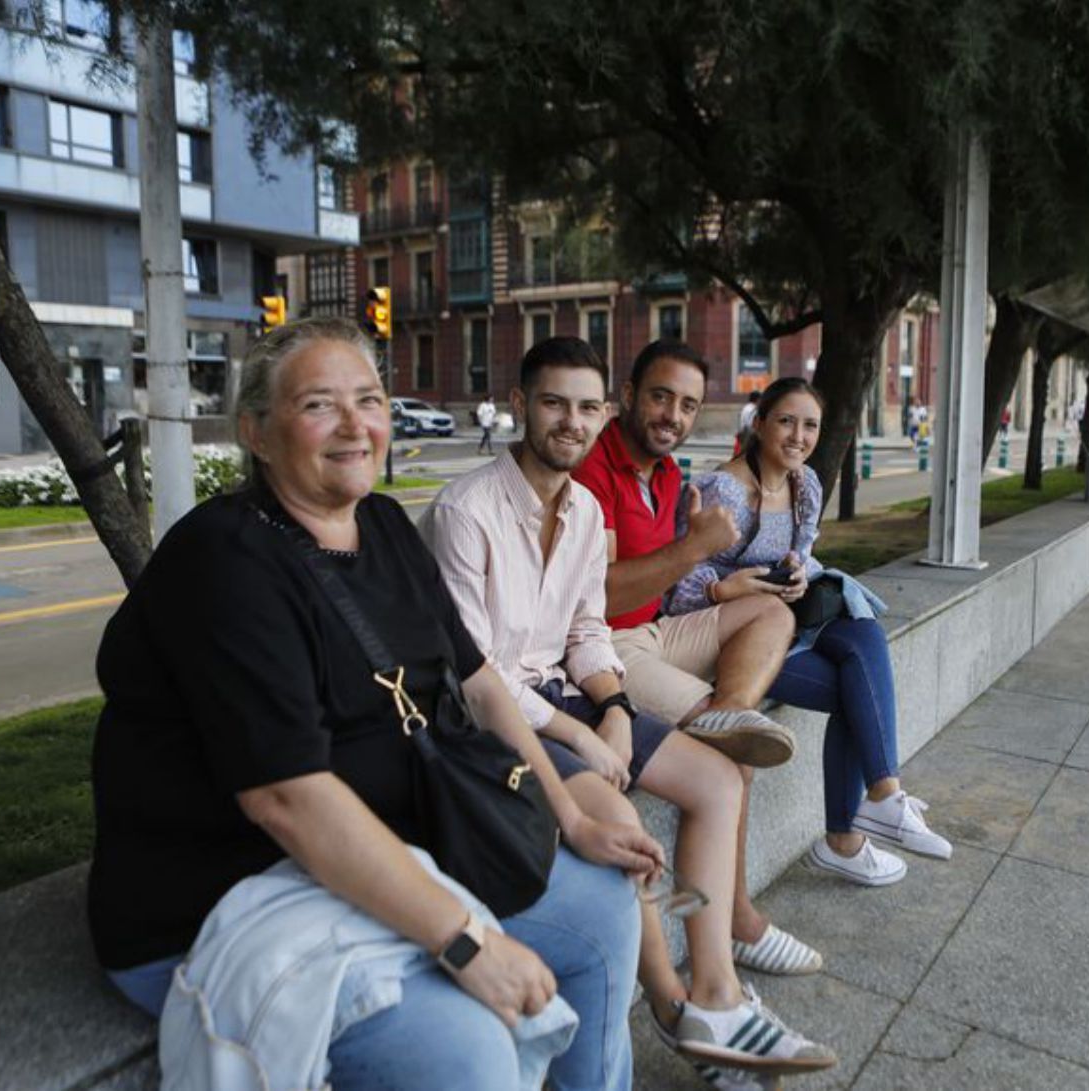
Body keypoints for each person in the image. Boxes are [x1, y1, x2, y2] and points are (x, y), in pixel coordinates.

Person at [87, 317, 664, 1091]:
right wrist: (466, 942)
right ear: (256, 433)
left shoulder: (384, 527)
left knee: (602, 908)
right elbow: (288, 796)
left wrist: (572, 815)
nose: (356, 425)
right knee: (469, 1051)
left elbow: (482, 683)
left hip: (398, 845)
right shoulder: (224, 561)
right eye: (320, 405)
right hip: (231, 898)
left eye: (370, 399)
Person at [423, 337, 835, 1081]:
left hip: (575, 691)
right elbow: (475, 672)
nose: (570, 422)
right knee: (619, 821)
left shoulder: (581, 508)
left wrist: (612, 703)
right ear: (519, 406)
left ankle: (717, 990)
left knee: (717, 778)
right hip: (499, 718)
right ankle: (674, 1007)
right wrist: (584, 725)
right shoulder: (466, 511)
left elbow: (586, 629)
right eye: (553, 403)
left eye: (585, 407)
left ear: (601, 410)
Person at [574, 339, 824, 981]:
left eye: (687, 405)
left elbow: (671, 589)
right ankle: (736, 926)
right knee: (732, 766)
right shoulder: (593, 472)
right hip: (603, 648)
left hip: (658, 631)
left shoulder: (665, 474)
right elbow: (599, 598)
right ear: (627, 397)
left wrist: (721, 581)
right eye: (661, 397)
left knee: (774, 611)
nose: (673, 416)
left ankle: (732, 711)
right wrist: (697, 551)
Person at [667, 377, 954, 886]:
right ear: (759, 425)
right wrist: (726, 588)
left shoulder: (805, 485)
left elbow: (801, 551)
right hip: (731, 643)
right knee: (855, 687)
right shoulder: (724, 491)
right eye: (785, 421)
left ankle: (882, 797)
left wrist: (800, 570)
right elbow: (675, 586)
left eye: (810, 425)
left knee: (865, 635)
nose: (799, 435)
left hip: (787, 624)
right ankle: (848, 836)